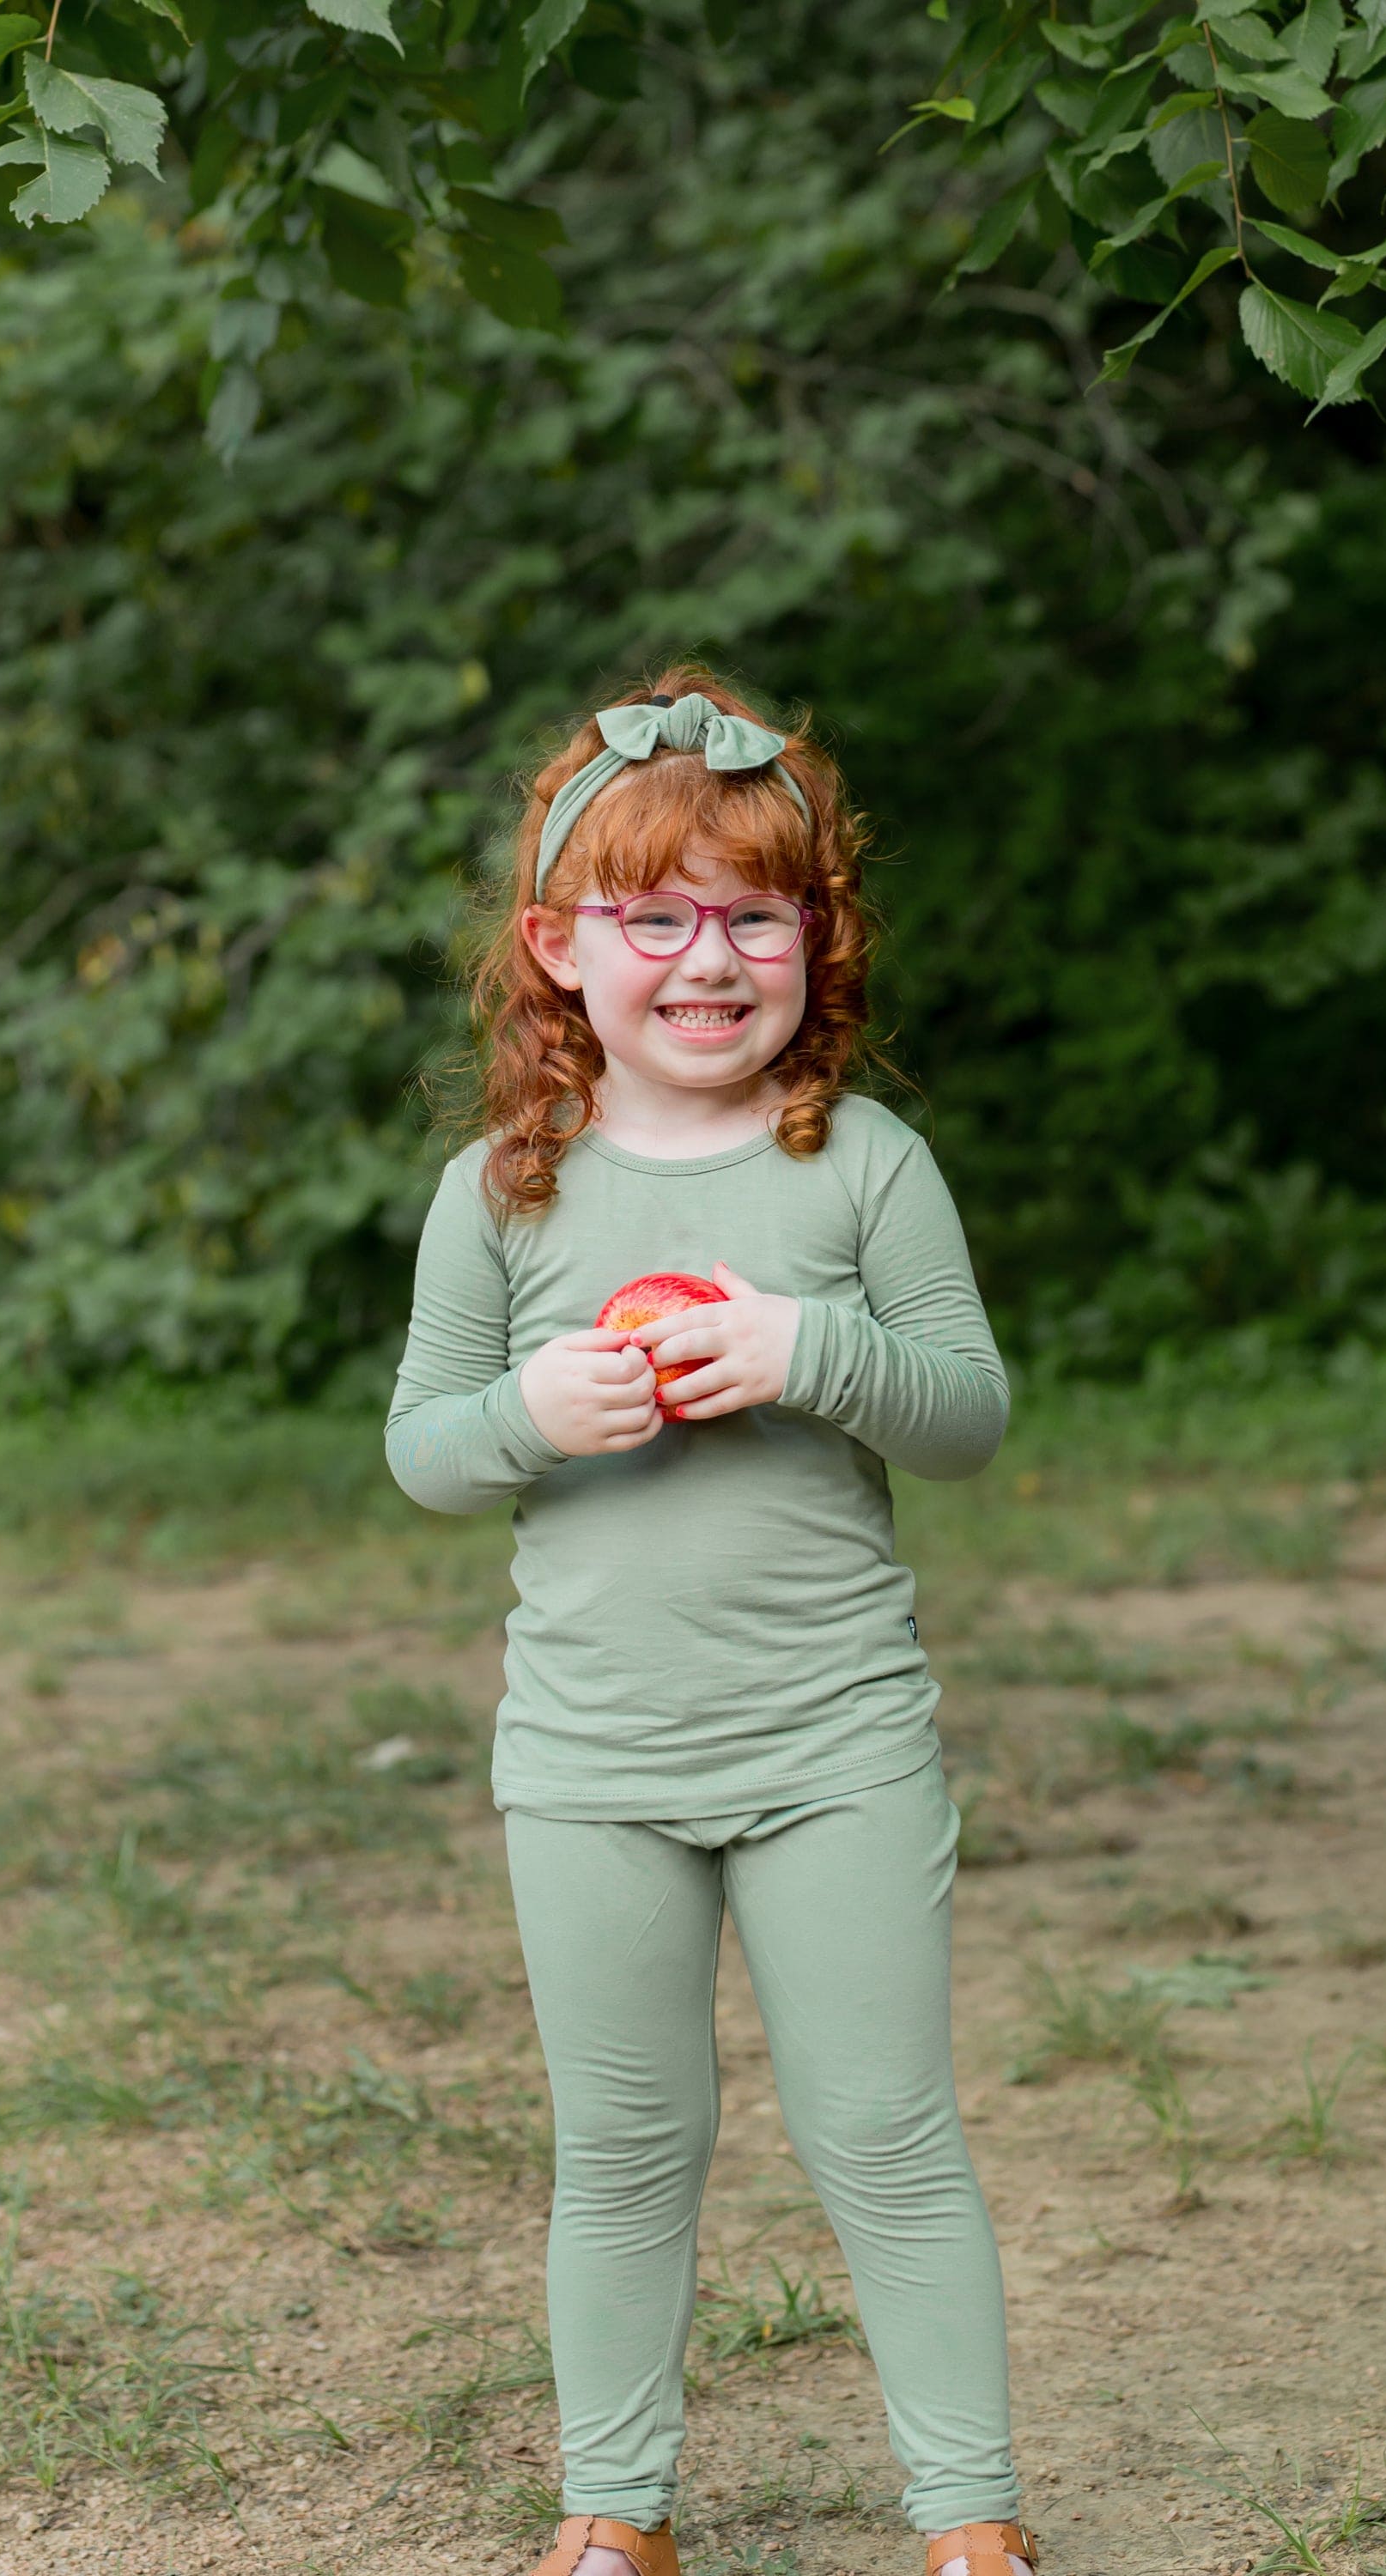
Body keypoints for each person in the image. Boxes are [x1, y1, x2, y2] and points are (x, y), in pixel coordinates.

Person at [386, 670, 1040, 2576]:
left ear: (814, 941)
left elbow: (972, 1416)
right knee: (624, 2148)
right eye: (654, 915)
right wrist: (531, 1416)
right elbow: (425, 1447)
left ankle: (968, 2519)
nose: (708, 955)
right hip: (592, 1764)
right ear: (557, 950)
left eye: (757, 911)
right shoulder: (501, 1195)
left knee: (886, 2135)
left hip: (834, 1742)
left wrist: (813, 1349)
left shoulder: (863, 1168)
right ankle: (616, 2514)